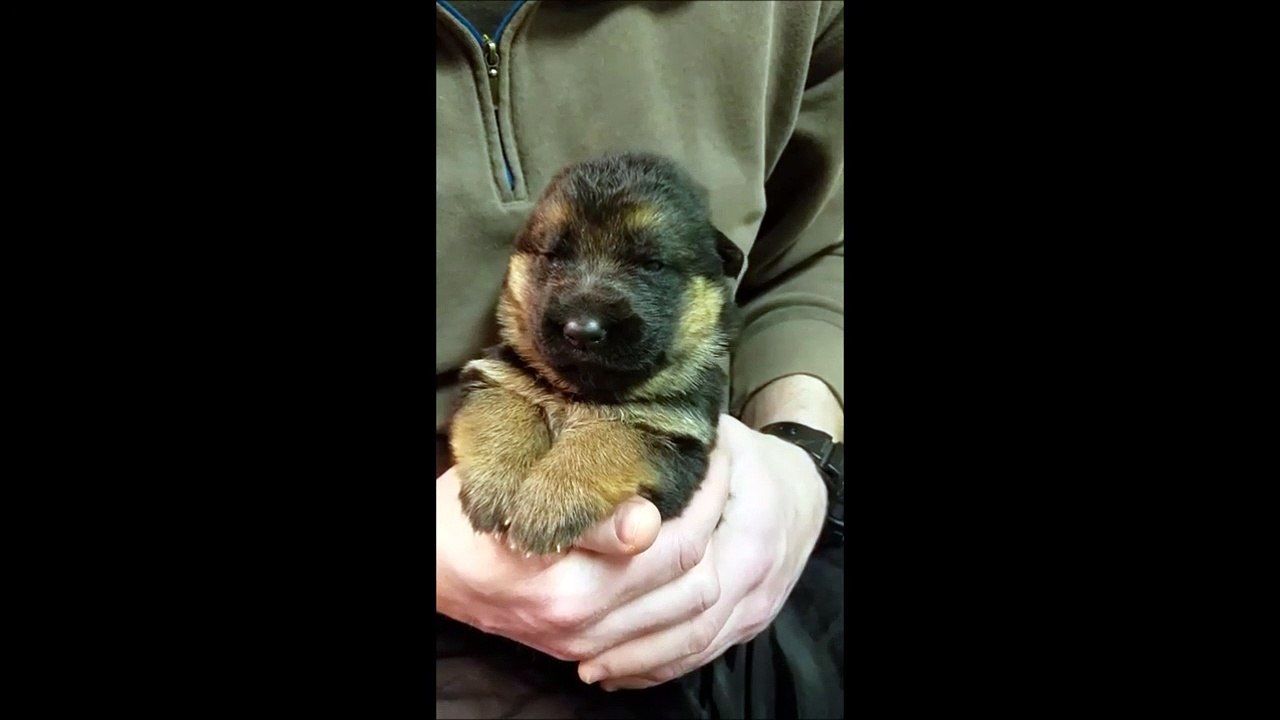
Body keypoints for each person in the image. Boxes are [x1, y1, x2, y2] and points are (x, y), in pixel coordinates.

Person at [434, 1, 845, 717]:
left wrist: (804, 459)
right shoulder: (515, 361)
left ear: (715, 275)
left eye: (649, 264)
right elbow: (488, 401)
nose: (584, 313)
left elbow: (826, 239)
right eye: (556, 256)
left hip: (725, 601)